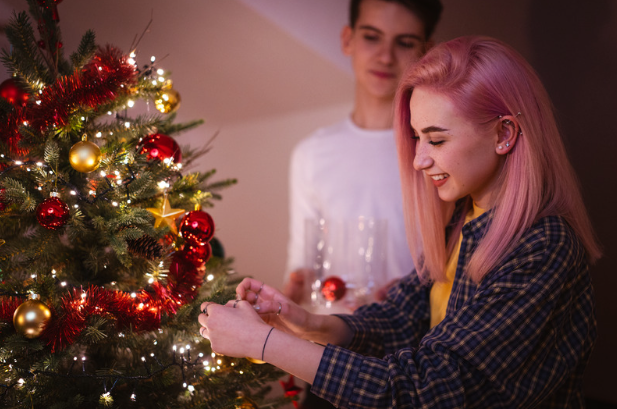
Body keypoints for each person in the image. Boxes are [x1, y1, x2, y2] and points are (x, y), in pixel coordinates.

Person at [199, 36, 601, 408]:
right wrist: (308, 324)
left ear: (504, 134)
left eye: (437, 140)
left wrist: (265, 342)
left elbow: (425, 391)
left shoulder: (544, 247)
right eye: (416, 138)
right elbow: (402, 318)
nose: (418, 160)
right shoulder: (464, 216)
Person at [284, 0, 443, 304]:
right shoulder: (311, 154)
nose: (385, 56)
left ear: (425, 52)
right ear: (348, 40)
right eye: (372, 37)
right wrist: (295, 287)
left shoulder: (436, 149)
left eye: (405, 43)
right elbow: (301, 265)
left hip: (415, 340)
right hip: (330, 343)